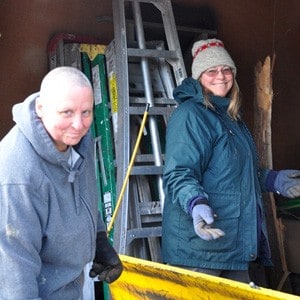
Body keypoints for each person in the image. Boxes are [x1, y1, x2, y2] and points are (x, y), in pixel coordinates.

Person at [162, 38, 300, 283]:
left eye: (226, 70)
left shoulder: (230, 117)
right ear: (199, 76)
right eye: (211, 71)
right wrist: (195, 203)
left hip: (232, 244)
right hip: (200, 250)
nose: (221, 76)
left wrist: (272, 179)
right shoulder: (191, 116)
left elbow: (233, 174)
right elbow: (179, 173)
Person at [0, 66, 123, 299]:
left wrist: (98, 240)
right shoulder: (17, 173)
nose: (78, 124)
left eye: (86, 112)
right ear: (41, 108)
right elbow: (14, 270)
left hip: (71, 285)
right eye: (67, 112)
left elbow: (83, 195)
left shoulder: (76, 144)